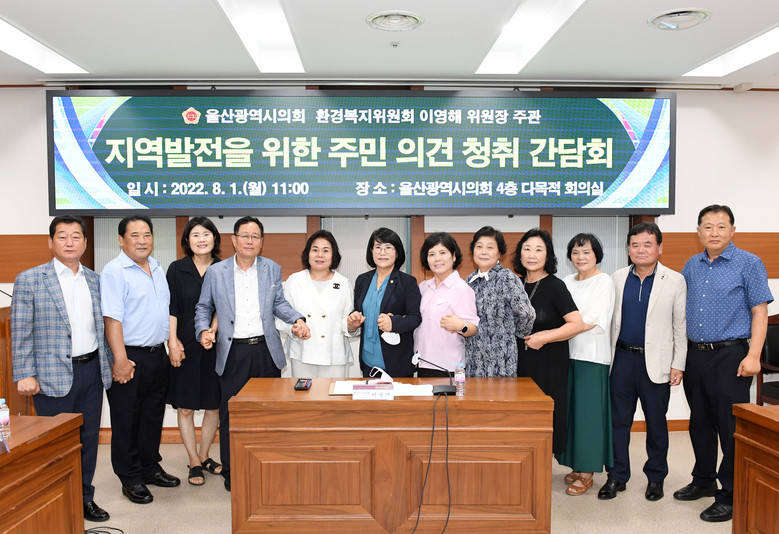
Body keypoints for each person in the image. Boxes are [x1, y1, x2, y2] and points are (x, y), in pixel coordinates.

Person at [194, 216, 310, 492]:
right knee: (231, 414)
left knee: (267, 414)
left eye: (255, 236)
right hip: (232, 352)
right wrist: (203, 330)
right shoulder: (216, 272)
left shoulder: (271, 268)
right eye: (244, 236)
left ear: (261, 241)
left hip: (265, 351)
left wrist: (297, 319)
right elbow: (203, 307)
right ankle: (232, 471)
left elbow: (279, 304)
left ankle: (265, 467)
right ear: (233, 240)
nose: (249, 241)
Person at [11, 215, 113, 522]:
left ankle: (84, 498)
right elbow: (20, 330)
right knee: (55, 444)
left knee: (88, 440)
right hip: (49, 376)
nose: (70, 242)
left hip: (91, 371)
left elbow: (102, 329)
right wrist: (24, 373)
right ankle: (54, 501)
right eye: (62, 236)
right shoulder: (30, 279)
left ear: (85, 242)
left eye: (76, 237)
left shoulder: (95, 280)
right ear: (50, 242)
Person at [675, 205, 773, 522]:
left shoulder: (749, 263)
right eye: (708, 227)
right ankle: (703, 479)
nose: (714, 233)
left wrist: (754, 355)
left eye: (721, 226)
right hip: (696, 355)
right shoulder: (692, 265)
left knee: (729, 426)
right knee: (700, 422)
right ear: (698, 232)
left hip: (731, 355)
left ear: (732, 230)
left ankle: (730, 492)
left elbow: (760, 312)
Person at [597, 223, 686, 502]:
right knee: (618, 423)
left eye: (648, 245)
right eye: (635, 245)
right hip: (622, 360)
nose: (641, 250)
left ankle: (656, 478)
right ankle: (616, 476)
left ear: (659, 248)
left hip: (656, 363)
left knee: (656, 424)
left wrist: (678, 363)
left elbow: (680, 326)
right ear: (628, 249)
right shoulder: (617, 278)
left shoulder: (675, 280)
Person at [101, 215, 180, 505]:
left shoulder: (156, 267)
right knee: (126, 419)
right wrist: (120, 359)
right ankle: (130, 476)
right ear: (121, 240)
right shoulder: (115, 271)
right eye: (134, 235)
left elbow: (163, 311)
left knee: (152, 416)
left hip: (157, 354)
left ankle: (149, 467)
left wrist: (170, 344)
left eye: (147, 234)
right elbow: (112, 318)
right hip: (129, 355)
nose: (142, 240)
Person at [513, 228, 584, 454]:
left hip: (548, 365)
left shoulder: (555, 286)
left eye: (538, 250)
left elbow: (576, 324)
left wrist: (545, 337)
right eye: (527, 249)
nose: (532, 255)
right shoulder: (515, 285)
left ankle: (540, 469)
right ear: (520, 254)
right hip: (519, 364)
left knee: (543, 420)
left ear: (548, 255)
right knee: (520, 421)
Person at [556, 233, 615, 496]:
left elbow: (590, 321)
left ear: (596, 255)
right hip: (567, 355)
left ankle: (588, 472)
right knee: (572, 415)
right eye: (576, 252)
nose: (580, 257)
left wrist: (553, 334)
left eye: (586, 252)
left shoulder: (604, 281)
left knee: (588, 417)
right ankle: (577, 465)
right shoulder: (567, 281)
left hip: (591, 358)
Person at [166, 216, 222, 486]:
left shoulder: (223, 268)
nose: (201, 239)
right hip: (185, 345)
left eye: (206, 234)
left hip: (215, 344)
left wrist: (212, 330)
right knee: (186, 406)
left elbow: (225, 306)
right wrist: (172, 342)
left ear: (215, 238)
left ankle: (205, 455)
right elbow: (172, 309)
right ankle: (193, 461)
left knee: (213, 405)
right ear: (187, 240)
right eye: (195, 235)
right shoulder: (177, 269)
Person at [276, 230, 356, 378]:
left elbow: (347, 320)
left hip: (334, 356)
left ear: (333, 255)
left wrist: (352, 325)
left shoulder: (343, 283)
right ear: (308, 253)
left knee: (333, 393)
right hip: (302, 353)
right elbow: (282, 316)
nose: (320, 255)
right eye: (315, 250)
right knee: (304, 393)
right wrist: (292, 329)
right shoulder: (294, 281)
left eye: (326, 250)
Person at [348, 228, 421, 378]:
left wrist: (393, 323)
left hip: (397, 362)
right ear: (371, 251)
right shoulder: (362, 280)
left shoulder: (407, 282)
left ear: (397, 252)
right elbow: (358, 311)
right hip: (368, 361)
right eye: (378, 247)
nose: (382, 252)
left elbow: (415, 318)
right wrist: (353, 321)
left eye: (388, 248)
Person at [464, 226, 535, 377]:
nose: (483, 252)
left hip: (501, 360)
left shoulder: (507, 278)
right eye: (479, 247)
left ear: (499, 253)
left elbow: (527, 314)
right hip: (473, 359)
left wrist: (515, 334)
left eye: (490, 247)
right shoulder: (470, 280)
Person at [414, 232, 479, 376]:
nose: (437, 258)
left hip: (447, 367)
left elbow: (473, 328)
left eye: (442, 253)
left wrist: (461, 326)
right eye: (431, 254)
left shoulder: (462, 289)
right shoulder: (423, 287)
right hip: (422, 362)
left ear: (454, 256)